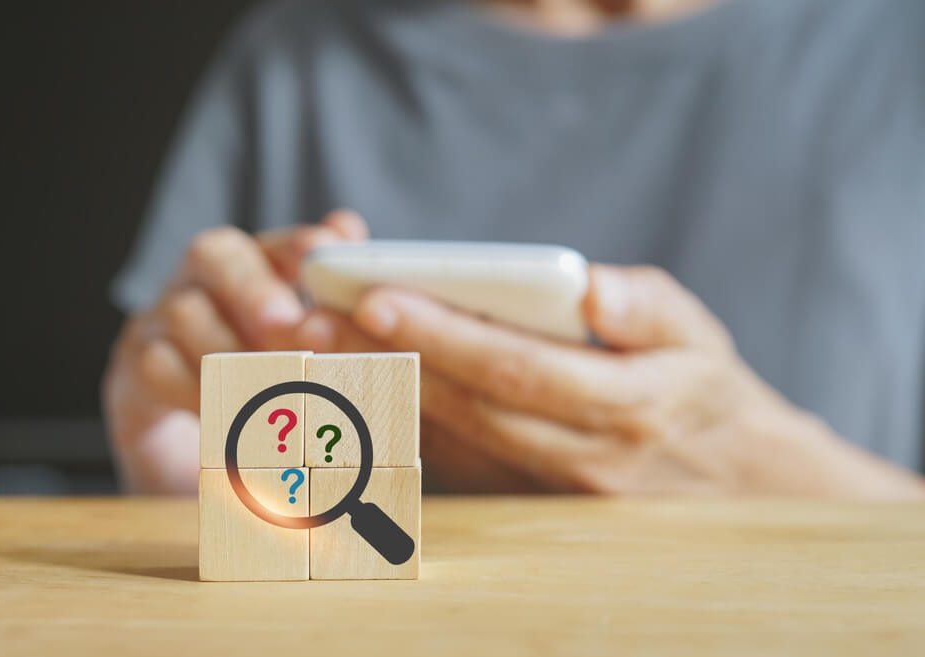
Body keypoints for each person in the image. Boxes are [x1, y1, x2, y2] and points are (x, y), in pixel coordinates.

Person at [103, 0, 925, 497]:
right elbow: (192, 422)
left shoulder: (897, 48)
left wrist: (771, 476)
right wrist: (181, 478)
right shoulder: (297, 55)